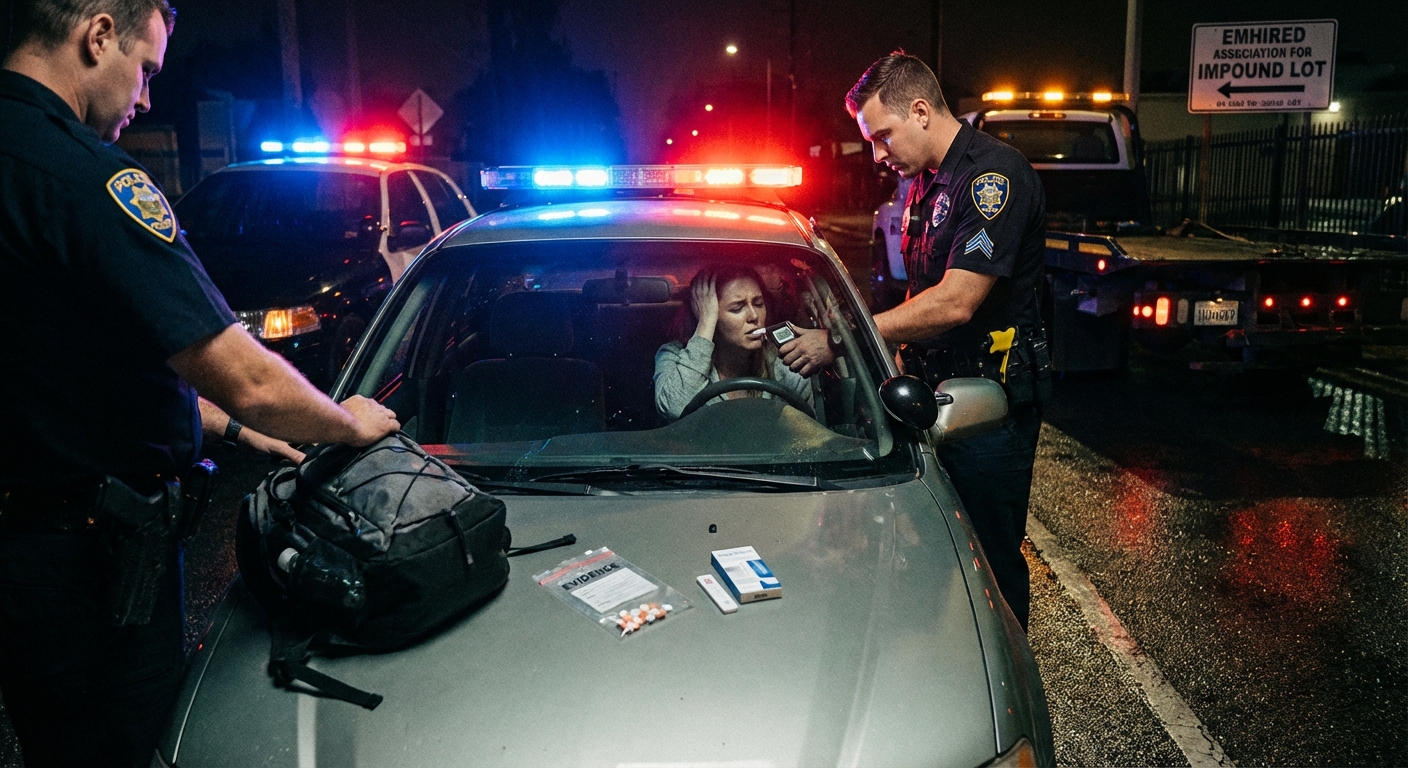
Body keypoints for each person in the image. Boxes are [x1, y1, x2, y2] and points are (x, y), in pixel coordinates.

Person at [0, 1, 400, 764]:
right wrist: (348, 425)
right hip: (92, 570)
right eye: (146, 69)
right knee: (134, 743)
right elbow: (245, 374)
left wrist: (235, 429)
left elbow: (69, 365)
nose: (146, 99)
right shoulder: (85, 179)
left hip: (25, 556)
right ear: (98, 35)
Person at [844, 51, 1051, 631]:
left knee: (987, 559)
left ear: (920, 111)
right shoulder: (927, 183)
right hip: (937, 394)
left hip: (988, 407)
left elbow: (956, 300)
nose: (879, 154)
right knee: (938, 549)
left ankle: (1005, 687)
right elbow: (919, 292)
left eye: (883, 136)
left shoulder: (992, 177)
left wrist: (853, 329)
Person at [654, 265, 813, 421]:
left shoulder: (785, 363)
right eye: (737, 308)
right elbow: (674, 408)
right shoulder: (673, 355)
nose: (754, 316)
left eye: (758, 304)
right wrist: (706, 323)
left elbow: (808, 432)